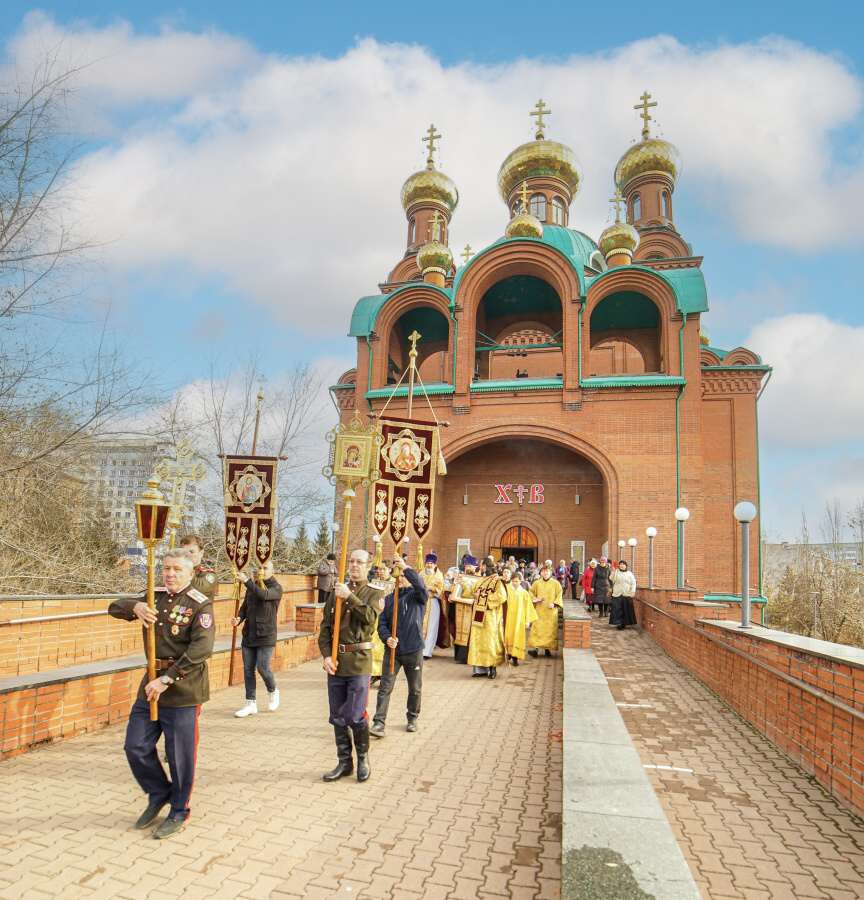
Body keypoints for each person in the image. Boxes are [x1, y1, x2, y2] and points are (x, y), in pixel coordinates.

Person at [108, 549, 215, 839]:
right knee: (135, 746)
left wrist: (167, 679)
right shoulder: (153, 595)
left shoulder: (200, 605)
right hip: (151, 684)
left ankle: (179, 810)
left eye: (177, 569)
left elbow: (201, 650)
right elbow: (113, 607)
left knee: (179, 756)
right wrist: (135, 608)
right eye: (167, 568)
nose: (170, 574)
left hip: (183, 689)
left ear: (190, 573)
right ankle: (159, 793)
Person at [318, 549, 383, 783]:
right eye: (352, 561)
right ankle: (344, 762)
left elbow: (370, 619)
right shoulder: (335, 592)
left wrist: (349, 597)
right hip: (336, 663)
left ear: (368, 566)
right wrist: (326, 656)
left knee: (355, 716)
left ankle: (363, 758)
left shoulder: (374, 593)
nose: (354, 565)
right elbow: (325, 629)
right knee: (336, 716)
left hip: (358, 663)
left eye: (359, 562)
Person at [370, 565, 428, 737]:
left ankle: (412, 718)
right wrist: (387, 638)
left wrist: (407, 568)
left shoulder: (418, 596)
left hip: (413, 649)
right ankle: (379, 723)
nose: (401, 578)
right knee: (385, 687)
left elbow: (421, 585)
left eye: (404, 575)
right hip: (393, 651)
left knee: (415, 688)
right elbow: (382, 624)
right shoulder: (389, 599)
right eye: (399, 575)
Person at [231, 560, 284, 717]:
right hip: (249, 634)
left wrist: (246, 581)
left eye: (265, 568)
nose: (261, 570)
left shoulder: (276, 588)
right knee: (248, 670)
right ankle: (250, 703)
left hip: (266, 635)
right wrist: (239, 619)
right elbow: (245, 607)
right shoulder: (251, 586)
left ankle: (273, 690)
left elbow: (263, 595)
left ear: (272, 571)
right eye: (259, 567)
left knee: (262, 668)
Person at [467, 556, 507, 679]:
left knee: (489, 641)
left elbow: (501, 596)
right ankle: (480, 669)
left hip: (490, 616)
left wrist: (483, 596)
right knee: (478, 641)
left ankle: (492, 667)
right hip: (478, 615)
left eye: (482, 565)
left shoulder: (497, 581)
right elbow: (471, 592)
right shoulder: (481, 580)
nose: (480, 567)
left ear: (486, 565)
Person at [528, 562, 564, 657]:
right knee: (537, 629)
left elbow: (559, 594)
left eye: (547, 571)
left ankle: (548, 649)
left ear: (551, 572)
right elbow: (530, 592)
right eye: (543, 571)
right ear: (541, 573)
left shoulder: (556, 584)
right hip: (539, 610)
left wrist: (555, 603)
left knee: (549, 631)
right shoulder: (537, 583)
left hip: (550, 612)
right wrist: (535, 599)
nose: (545, 573)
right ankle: (535, 649)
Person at [504, 569, 538, 665]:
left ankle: (515, 657)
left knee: (517, 637)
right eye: (513, 581)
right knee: (508, 636)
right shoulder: (506, 589)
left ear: (520, 581)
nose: (515, 583)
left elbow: (528, 607)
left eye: (517, 581)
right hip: (508, 618)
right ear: (511, 581)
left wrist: (527, 621)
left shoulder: (524, 593)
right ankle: (508, 653)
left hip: (519, 619)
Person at [451, 555, 480, 663]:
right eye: (467, 566)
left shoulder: (479, 579)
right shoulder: (460, 577)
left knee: (471, 631)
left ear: (475, 567)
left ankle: (469, 656)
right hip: (460, 607)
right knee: (459, 630)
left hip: (473, 607)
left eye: (471, 566)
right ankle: (460, 657)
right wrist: (454, 586)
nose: (468, 568)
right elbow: (453, 590)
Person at [369, 562, 393, 684]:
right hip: (375, 618)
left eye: (383, 569)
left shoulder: (394, 583)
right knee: (374, 647)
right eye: (379, 569)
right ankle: (374, 673)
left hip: (388, 620)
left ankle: (384, 675)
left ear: (390, 569)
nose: (380, 571)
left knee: (385, 648)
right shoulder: (374, 583)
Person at [421, 552, 445, 659]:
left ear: (435, 565)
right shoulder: (421, 574)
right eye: (428, 563)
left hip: (433, 603)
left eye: (431, 563)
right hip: (421, 603)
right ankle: (419, 649)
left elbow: (440, 591)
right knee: (420, 626)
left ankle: (427, 651)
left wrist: (431, 588)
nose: (429, 565)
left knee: (431, 627)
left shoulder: (439, 576)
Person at [179, 534, 217, 602]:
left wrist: (185, 569)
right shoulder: (176, 571)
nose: (187, 555)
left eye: (191, 552)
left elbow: (199, 588)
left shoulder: (210, 574)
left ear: (201, 553)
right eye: (184, 552)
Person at [609, 561, 638, 630]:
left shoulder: (629, 574)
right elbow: (611, 579)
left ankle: (624, 623)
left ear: (626, 566)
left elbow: (633, 583)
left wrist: (633, 591)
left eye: (623, 564)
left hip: (626, 594)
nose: (622, 566)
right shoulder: (616, 572)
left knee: (625, 609)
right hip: (617, 593)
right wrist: (613, 571)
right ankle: (619, 623)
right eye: (620, 564)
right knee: (617, 609)